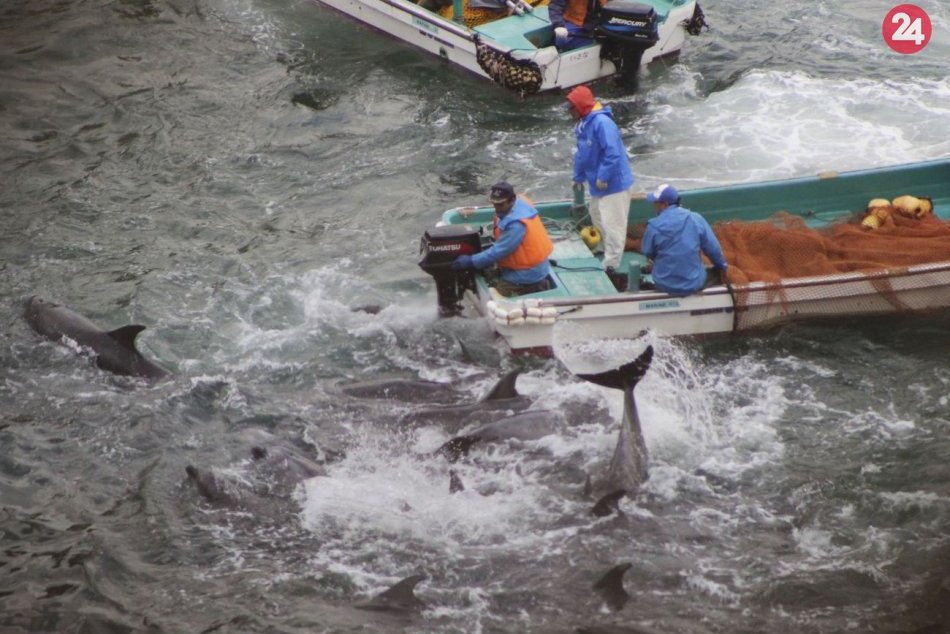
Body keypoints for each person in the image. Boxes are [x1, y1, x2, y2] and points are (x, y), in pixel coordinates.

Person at [565, 85, 634, 290]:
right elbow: (582, 153)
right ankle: (602, 248)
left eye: (572, 108)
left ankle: (612, 261)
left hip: (613, 184)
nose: (570, 112)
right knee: (597, 214)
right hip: (598, 185)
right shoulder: (583, 124)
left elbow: (612, 153)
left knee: (613, 223)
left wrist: (604, 177)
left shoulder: (603, 123)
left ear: (581, 106)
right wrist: (578, 177)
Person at [451, 182, 554, 297]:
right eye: (494, 204)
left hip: (527, 275)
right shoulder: (519, 202)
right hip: (533, 267)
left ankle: (533, 288)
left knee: (494, 295)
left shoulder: (517, 225)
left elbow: (499, 251)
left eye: (500, 204)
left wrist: (471, 261)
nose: (496, 208)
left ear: (511, 200)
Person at [639, 183, 728, 296]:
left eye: (656, 203)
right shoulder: (696, 218)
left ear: (665, 204)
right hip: (694, 284)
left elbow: (647, 251)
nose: (654, 205)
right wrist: (722, 267)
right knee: (715, 273)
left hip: (664, 284)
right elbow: (713, 250)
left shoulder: (653, 226)